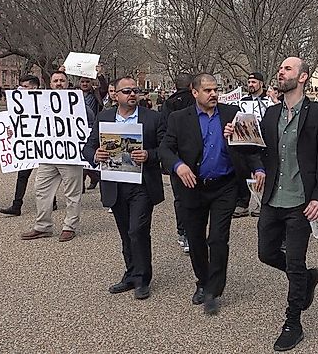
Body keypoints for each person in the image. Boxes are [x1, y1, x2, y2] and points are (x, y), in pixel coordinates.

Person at [236, 56, 318, 351]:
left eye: (288, 69)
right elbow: (257, 150)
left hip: (300, 203)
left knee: (294, 261)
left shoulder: (317, 115)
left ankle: (293, 323)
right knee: (266, 254)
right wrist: (241, 143)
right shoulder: (270, 114)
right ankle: (307, 277)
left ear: (302, 77)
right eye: (280, 68)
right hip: (271, 199)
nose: (281, 71)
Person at [159, 73, 265, 315]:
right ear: (194, 93)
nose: (214, 94)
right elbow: (165, 148)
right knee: (195, 239)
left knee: (217, 239)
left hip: (224, 187)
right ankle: (202, 281)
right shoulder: (178, 118)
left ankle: (213, 290)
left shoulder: (231, 113)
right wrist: (178, 165)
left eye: (215, 90)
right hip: (192, 187)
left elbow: (249, 144)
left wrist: (258, 168)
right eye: (207, 90)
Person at [83, 76, 167, 300]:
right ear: (115, 95)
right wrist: (95, 155)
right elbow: (88, 147)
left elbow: (166, 148)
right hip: (115, 183)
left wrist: (149, 154)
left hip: (142, 184)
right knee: (125, 232)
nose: (132, 94)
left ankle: (142, 279)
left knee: (137, 230)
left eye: (135, 91)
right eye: (126, 91)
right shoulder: (104, 117)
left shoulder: (153, 118)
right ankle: (130, 274)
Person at [19, 71, 84, 242]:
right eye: (56, 81)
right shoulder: (41, 101)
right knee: (41, 190)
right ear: (51, 84)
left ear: (68, 83)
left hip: (70, 156)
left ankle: (69, 227)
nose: (59, 83)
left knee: (72, 194)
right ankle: (43, 226)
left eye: (62, 80)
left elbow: (87, 122)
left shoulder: (77, 102)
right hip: (48, 155)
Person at [161, 72, 196, 254]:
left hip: (176, 158)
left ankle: (183, 231)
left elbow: (163, 131)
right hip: (195, 156)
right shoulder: (196, 102)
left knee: (180, 199)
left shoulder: (168, 104)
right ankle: (194, 232)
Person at [0, 75, 41, 217]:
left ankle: (51, 201)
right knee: (22, 175)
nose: (21, 89)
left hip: (42, 143)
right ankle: (17, 205)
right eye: (20, 86)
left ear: (34, 87)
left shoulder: (44, 101)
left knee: (46, 175)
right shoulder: (18, 103)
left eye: (25, 86)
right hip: (27, 144)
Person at [234, 71, 271, 218]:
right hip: (246, 141)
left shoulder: (269, 101)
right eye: (249, 82)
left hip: (263, 141)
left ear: (261, 84)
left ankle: (260, 202)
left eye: (253, 82)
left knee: (261, 172)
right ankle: (242, 203)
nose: (250, 85)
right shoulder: (243, 100)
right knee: (242, 171)